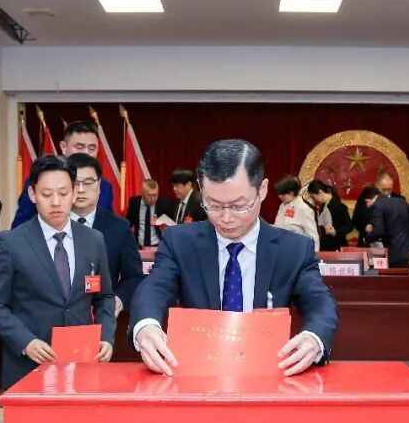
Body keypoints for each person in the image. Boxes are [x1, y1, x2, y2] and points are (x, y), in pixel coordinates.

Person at [130, 139, 338, 378]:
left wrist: (313, 337)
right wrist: (146, 326)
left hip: (268, 376)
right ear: (201, 190)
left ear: (262, 190)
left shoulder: (294, 249)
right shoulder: (180, 242)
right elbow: (154, 288)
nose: (226, 218)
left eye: (239, 206)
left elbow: (319, 302)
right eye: (213, 205)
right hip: (197, 375)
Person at [0, 155, 116, 388]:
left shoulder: (94, 240)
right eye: (46, 194)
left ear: (73, 193)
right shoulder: (12, 242)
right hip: (29, 365)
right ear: (32, 194)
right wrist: (26, 342)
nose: (56, 202)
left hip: (81, 363)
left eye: (63, 193)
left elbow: (104, 297)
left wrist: (106, 337)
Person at [68, 153, 145, 315]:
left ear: (99, 185)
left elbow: (134, 277)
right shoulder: (50, 225)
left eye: (88, 183)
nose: (81, 190)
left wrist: (118, 300)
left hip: (102, 317)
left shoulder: (119, 228)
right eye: (74, 183)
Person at [11, 120, 114, 227]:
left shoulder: (105, 187)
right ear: (64, 147)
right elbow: (20, 226)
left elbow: (111, 226)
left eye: (92, 148)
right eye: (80, 147)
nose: (86, 152)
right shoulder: (40, 181)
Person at [361, 186, 409, 268]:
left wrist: (366, 239)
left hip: (396, 255)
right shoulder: (401, 201)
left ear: (367, 201)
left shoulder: (376, 205)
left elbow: (378, 231)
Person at [126, 179, 176, 248]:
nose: (153, 199)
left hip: (159, 246)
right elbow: (128, 223)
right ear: (142, 192)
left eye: (155, 195)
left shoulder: (165, 204)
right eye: (150, 195)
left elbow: (173, 226)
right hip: (139, 246)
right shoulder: (134, 203)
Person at [272, 175, 318, 250]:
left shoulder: (304, 209)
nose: (279, 196)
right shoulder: (282, 206)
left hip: (296, 251)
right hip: (280, 249)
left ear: (292, 193)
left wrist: (314, 255)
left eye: (283, 194)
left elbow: (313, 237)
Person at [307, 179, 352, 252]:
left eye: (313, 197)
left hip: (336, 246)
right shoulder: (324, 206)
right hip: (326, 245)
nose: (314, 200)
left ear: (320, 192)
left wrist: (336, 232)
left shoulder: (339, 206)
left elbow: (349, 226)